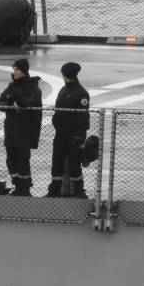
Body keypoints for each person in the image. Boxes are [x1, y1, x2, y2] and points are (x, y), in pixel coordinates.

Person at [0, 59, 43, 196]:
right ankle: (17, 184)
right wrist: (11, 106)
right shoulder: (11, 86)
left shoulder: (33, 87)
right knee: (11, 159)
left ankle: (25, 187)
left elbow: (32, 103)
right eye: (14, 69)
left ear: (24, 71)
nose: (15, 72)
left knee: (23, 160)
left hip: (25, 131)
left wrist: (18, 100)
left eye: (17, 69)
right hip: (11, 130)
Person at [47, 62, 90, 198]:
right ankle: (54, 190)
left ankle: (78, 191)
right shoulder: (64, 90)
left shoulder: (81, 93)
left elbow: (82, 117)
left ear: (66, 74)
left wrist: (79, 136)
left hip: (73, 136)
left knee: (74, 165)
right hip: (60, 134)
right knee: (57, 164)